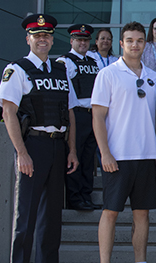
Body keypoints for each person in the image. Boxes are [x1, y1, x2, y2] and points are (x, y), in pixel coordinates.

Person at [0, 14, 78, 263]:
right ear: (28, 39)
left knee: (52, 219)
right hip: (32, 146)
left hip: (57, 146)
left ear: (53, 41)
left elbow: (70, 112)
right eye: (37, 35)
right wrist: (21, 153)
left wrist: (72, 150)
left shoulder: (62, 70)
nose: (42, 39)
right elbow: (8, 112)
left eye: (47, 35)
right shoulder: (17, 69)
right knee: (25, 217)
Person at [92, 21, 156, 263]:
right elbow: (98, 117)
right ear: (121, 43)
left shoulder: (155, 78)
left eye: (140, 40)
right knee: (110, 212)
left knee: (142, 214)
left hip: (145, 156)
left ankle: (140, 261)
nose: (135, 45)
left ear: (145, 43)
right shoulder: (108, 74)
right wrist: (105, 153)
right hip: (117, 156)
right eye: (130, 40)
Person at [57, 23, 101, 211]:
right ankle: (74, 198)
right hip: (77, 115)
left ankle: (86, 195)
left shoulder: (93, 61)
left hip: (93, 115)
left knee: (88, 158)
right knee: (75, 156)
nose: (83, 43)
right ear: (71, 41)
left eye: (85, 40)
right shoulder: (64, 62)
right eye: (79, 40)